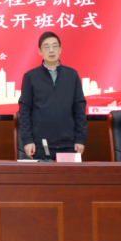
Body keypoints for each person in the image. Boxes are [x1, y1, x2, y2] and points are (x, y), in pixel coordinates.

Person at [19, 32, 87, 160]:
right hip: (40, 145)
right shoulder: (30, 77)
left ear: (60, 49)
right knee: (43, 174)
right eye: (46, 47)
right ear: (40, 51)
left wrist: (80, 139)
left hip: (69, 145)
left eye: (55, 46)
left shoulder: (72, 75)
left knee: (69, 174)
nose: (51, 50)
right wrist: (27, 140)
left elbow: (79, 110)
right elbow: (25, 111)